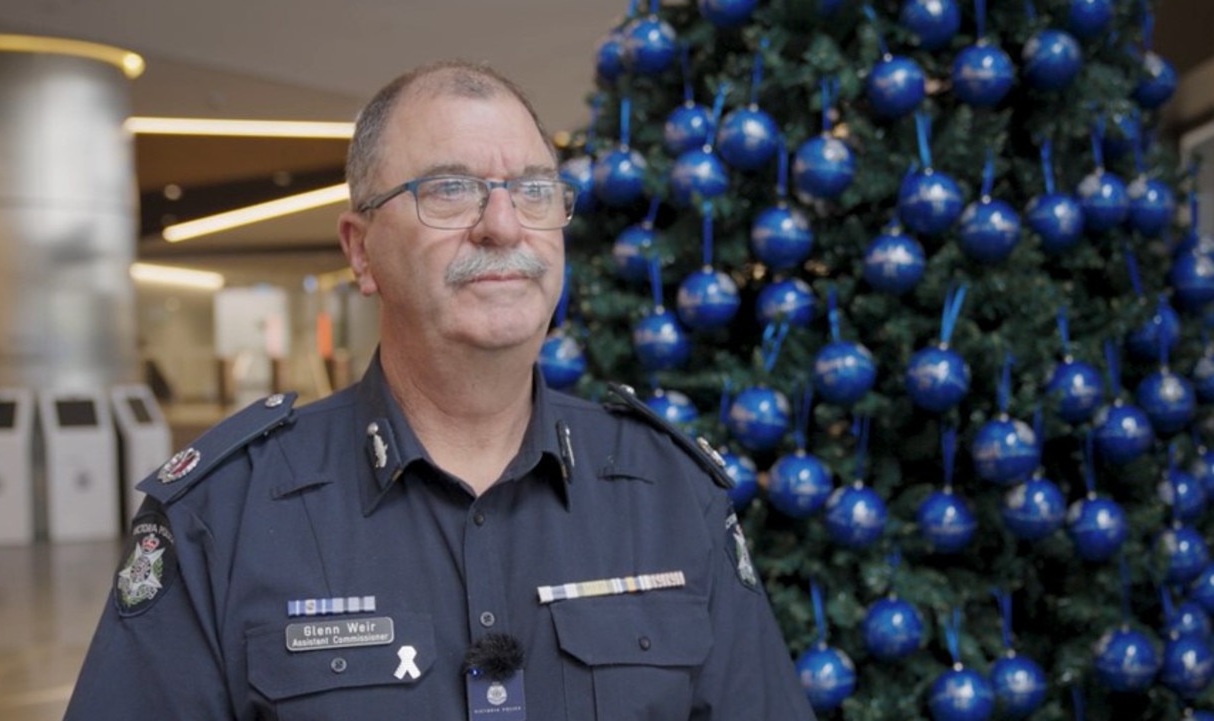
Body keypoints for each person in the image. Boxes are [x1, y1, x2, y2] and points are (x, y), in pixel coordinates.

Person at [64, 59, 817, 721]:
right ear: (361, 254)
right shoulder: (222, 514)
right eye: (450, 190)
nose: (501, 224)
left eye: (533, 190)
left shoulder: (669, 494)